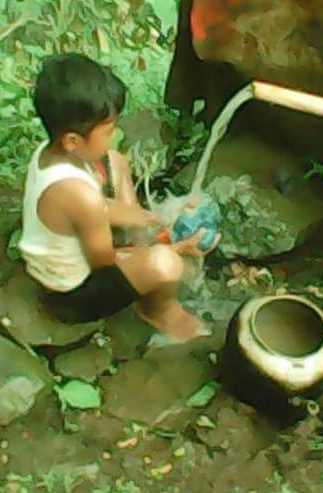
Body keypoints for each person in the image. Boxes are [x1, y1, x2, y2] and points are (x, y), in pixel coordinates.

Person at [18, 53, 209, 342]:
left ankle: (142, 247)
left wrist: (153, 217)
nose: (114, 134)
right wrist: (162, 250)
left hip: (84, 224)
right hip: (71, 294)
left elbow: (101, 207)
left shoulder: (51, 152)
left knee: (116, 161)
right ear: (72, 140)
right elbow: (104, 261)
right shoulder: (80, 196)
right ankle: (157, 309)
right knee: (166, 265)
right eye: (108, 131)